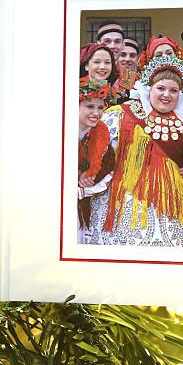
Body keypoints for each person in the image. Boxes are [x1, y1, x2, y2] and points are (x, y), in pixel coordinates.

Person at [97, 56, 183, 247]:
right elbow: (98, 152)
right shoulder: (121, 114)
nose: (166, 95)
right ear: (149, 88)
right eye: (161, 88)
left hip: (176, 205)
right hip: (131, 202)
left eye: (173, 90)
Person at [77, 78, 117, 244]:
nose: (96, 113)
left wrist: (90, 181)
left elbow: (109, 168)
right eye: (89, 106)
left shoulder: (102, 133)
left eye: (100, 108)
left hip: (85, 201)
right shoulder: (61, 131)